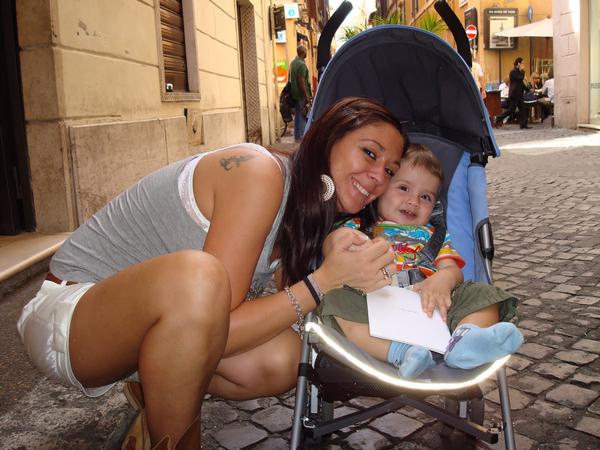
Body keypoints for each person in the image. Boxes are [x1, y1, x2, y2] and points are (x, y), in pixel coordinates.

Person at [16, 97, 407, 448]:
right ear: (328, 137)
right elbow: (218, 327)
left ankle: (154, 397)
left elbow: (262, 316)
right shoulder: (259, 172)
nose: (378, 176)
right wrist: (322, 281)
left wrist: (333, 261)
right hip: (70, 319)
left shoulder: (306, 213)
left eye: (390, 170)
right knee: (198, 275)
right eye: (369, 153)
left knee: (283, 359)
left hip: (142, 338)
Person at [318, 144, 523, 378]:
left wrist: (443, 279)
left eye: (425, 197)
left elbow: (452, 270)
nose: (413, 201)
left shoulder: (434, 235)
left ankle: (464, 341)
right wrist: (341, 242)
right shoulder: (360, 227)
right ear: (380, 190)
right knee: (334, 302)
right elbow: (331, 247)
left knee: (483, 294)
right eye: (403, 188)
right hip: (373, 307)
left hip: (431, 309)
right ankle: (402, 353)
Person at [494, 57, 531, 129]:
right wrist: (522, 71)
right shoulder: (513, 72)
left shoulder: (520, 72)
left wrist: (528, 89)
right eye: (522, 63)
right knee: (511, 110)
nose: (523, 65)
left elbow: (521, 83)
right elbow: (520, 78)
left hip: (520, 94)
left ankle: (523, 125)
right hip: (514, 94)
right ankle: (498, 118)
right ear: (518, 63)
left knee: (522, 109)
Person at [290, 44, 312, 142]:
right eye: (306, 51)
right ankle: (301, 137)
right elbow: (301, 81)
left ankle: (297, 137)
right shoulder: (302, 65)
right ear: (303, 52)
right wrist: (307, 96)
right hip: (301, 95)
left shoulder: (293, 63)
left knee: (298, 115)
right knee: (303, 115)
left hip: (294, 94)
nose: (306, 53)